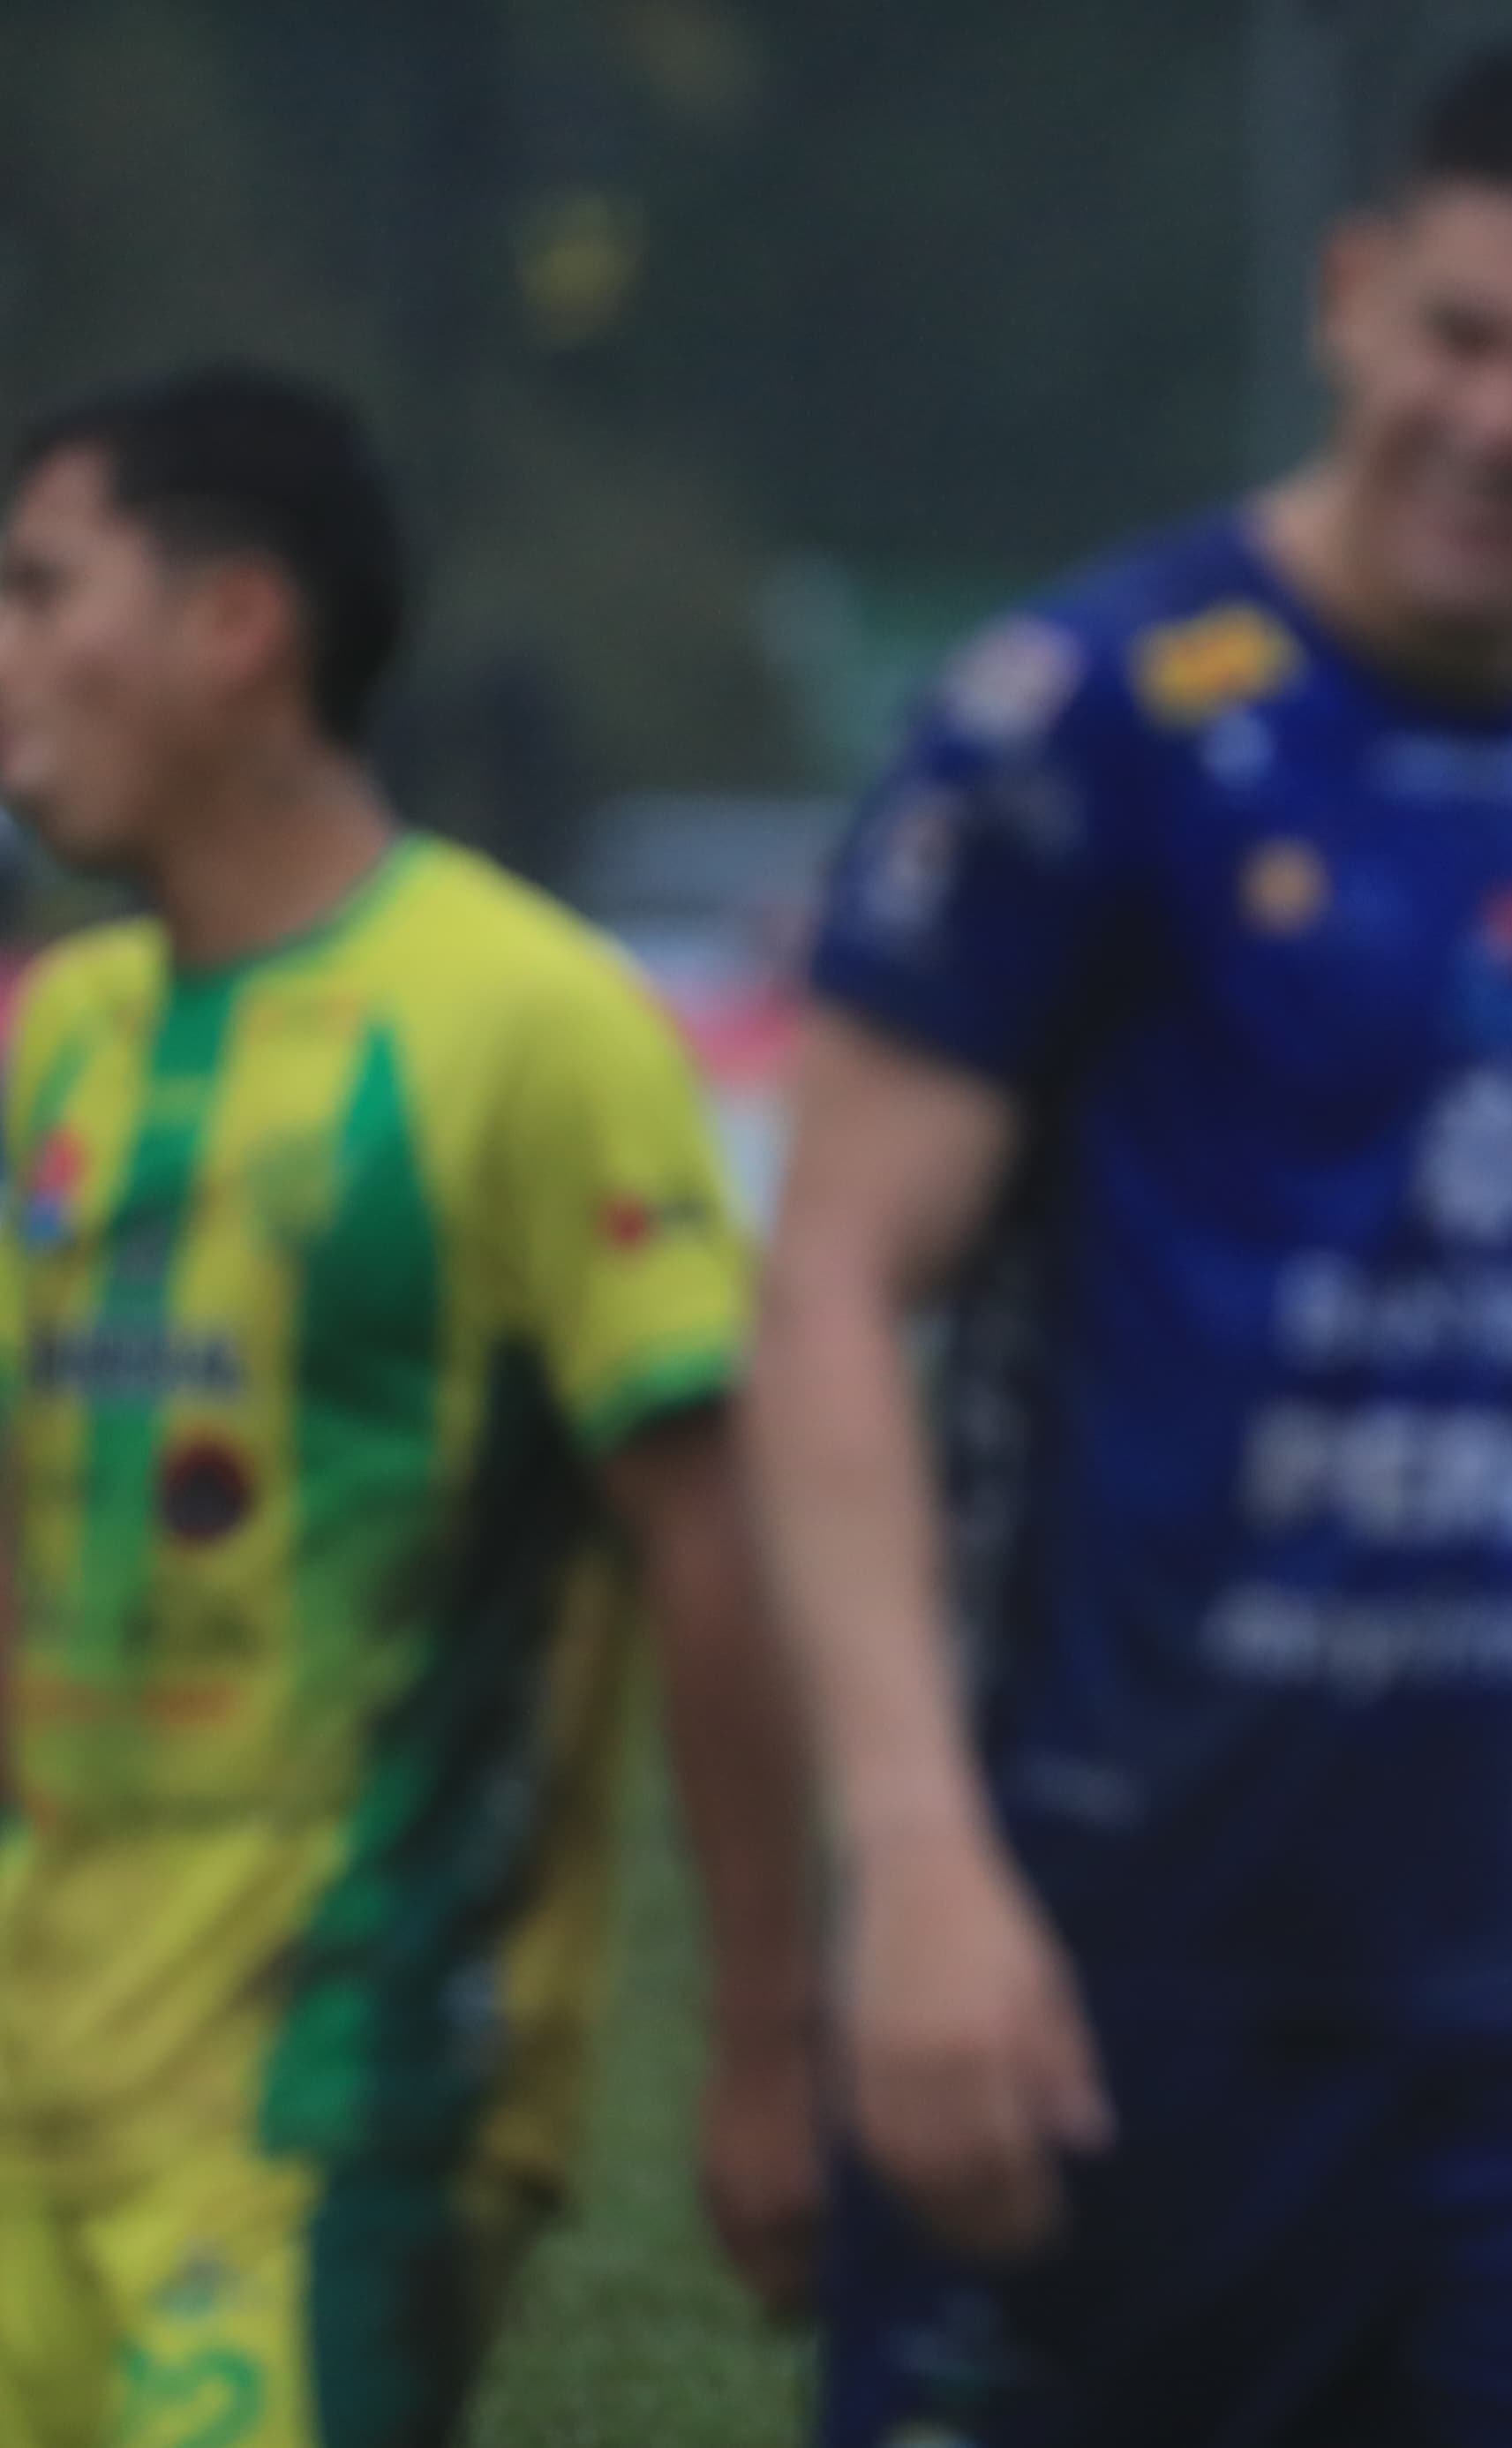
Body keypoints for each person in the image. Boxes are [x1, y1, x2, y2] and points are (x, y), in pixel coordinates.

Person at [748, 40, 1512, 2445]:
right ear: (1353, 306)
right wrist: (914, 1858)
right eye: (1460, 335)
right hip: (1104, 1927)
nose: (1504, 412)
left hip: (1498, 1946)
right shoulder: (1088, 723)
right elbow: (826, 1290)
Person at [0, 365, 820, 2436]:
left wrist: (767, 2040)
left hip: (339, 2102)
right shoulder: (62, 1044)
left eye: (39, 588)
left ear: (235, 628)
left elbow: (716, 1552)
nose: (5, 656)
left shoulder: (528, 1028)